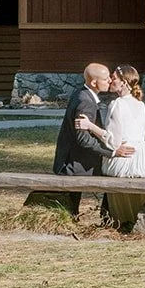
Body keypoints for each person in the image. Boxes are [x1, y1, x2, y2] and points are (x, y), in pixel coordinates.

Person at [75, 63, 145, 226]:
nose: (110, 81)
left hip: (124, 160)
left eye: (113, 78)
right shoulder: (140, 104)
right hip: (142, 158)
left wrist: (90, 126)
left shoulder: (117, 104)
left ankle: (119, 220)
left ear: (124, 83)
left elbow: (113, 141)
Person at [51, 61, 133, 214]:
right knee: (115, 173)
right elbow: (83, 139)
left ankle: (106, 216)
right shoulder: (86, 102)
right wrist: (112, 153)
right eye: (106, 78)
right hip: (76, 166)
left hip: (73, 160)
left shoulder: (81, 93)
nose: (110, 80)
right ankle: (112, 217)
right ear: (94, 82)